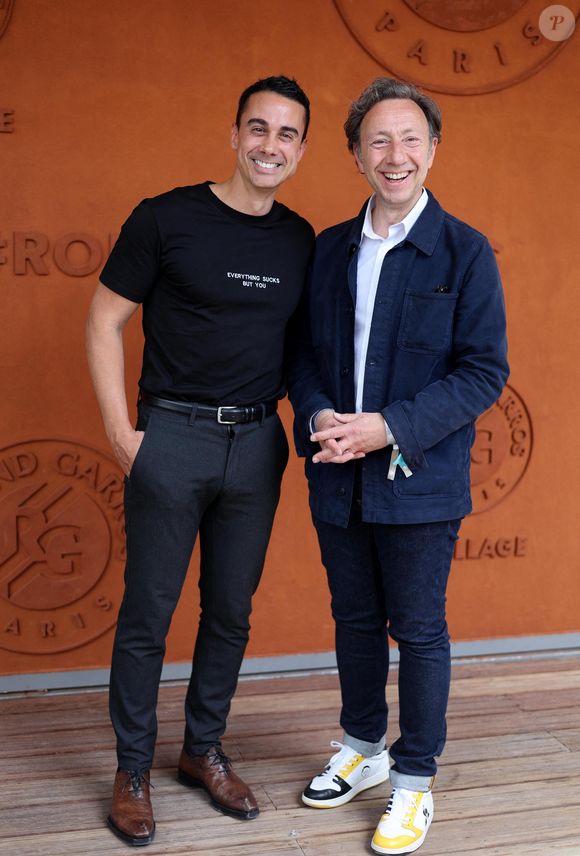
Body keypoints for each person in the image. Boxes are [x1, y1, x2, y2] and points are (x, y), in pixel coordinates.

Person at [86, 75, 313, 847]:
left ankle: (203, 751)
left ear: (302, 149)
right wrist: (123, 433)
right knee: (148, 613)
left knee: (230, 611)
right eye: (259, 128)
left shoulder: (298, 238)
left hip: (256, 443)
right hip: (172, 436)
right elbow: (103, 321)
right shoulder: (166, 217)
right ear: (234, 134)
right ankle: (133, 768)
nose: (270, 145)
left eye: (287, 134)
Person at [287, 77, 508, 855]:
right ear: (355, 154)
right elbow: (306, 356)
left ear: (433, 150)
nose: (396, 155)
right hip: (335, 473)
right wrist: (319, 418)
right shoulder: (330, 250)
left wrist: (388, 428)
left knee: (417, 632)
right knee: (352, 622)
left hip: (419, 479)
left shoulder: (464, 251)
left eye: (411, 139)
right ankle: (363, 747)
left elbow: (485, 371)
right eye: (378, 140)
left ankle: (413, 782)